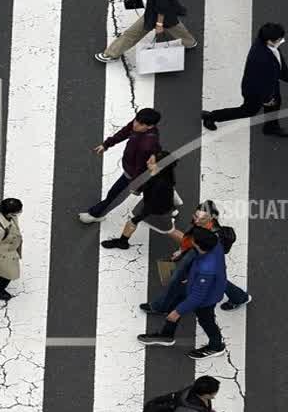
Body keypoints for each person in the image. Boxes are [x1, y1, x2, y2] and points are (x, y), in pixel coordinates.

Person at [141, 200, 251, 314]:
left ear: (212, 217)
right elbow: (190, 239)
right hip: (193, 253)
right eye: (196, 216)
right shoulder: (200, 224)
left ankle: (161, 307)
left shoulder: (211, 237)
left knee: (176, 280)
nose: (197, 220)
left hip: (199, 257)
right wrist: (181, 250)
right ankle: (239, 297)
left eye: (202, 218)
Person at [138, 227, 227, 359]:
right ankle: (167, 335)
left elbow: (197, 297)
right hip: (198, 285)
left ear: (198, 245)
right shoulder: (215, 245)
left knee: (206, 320)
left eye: (193, 240)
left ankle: (216, 346)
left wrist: (178, 312)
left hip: (207, 299)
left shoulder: (206, 269)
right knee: (176, 302)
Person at [202, 23, 288, 137]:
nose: (281, 41)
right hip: (256, 92)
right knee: (248, 111)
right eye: (279, 39)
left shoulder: (265, 44)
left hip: (270, 85)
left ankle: (271, 128)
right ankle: (211, 116)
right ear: (269, 41)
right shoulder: (260, 58)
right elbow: (259, 82)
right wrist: (266, 99)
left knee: (275, 105)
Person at [78, 108, 162, 223]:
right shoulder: (139, 124)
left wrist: (136, 186)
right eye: (136, 120)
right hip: (140, 169)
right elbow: (125, 132)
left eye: (140, 124)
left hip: (133, 174)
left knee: (115, 195)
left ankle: (94, 214)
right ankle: (170, 204)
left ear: (150, 126)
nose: (135, 125)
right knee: (158, 188)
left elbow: (139, 168)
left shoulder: (145, 145)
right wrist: (106, 144)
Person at [102, 151, 179, 249]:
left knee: (170, 231)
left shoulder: (158, 184)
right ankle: (122, 241)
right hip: (156, 205)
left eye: (151, 162)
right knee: (133, 220)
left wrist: (141, 215)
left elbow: (153, 203)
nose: (147, 162)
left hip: (156, 212)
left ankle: (190, 245)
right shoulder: (166, 173)